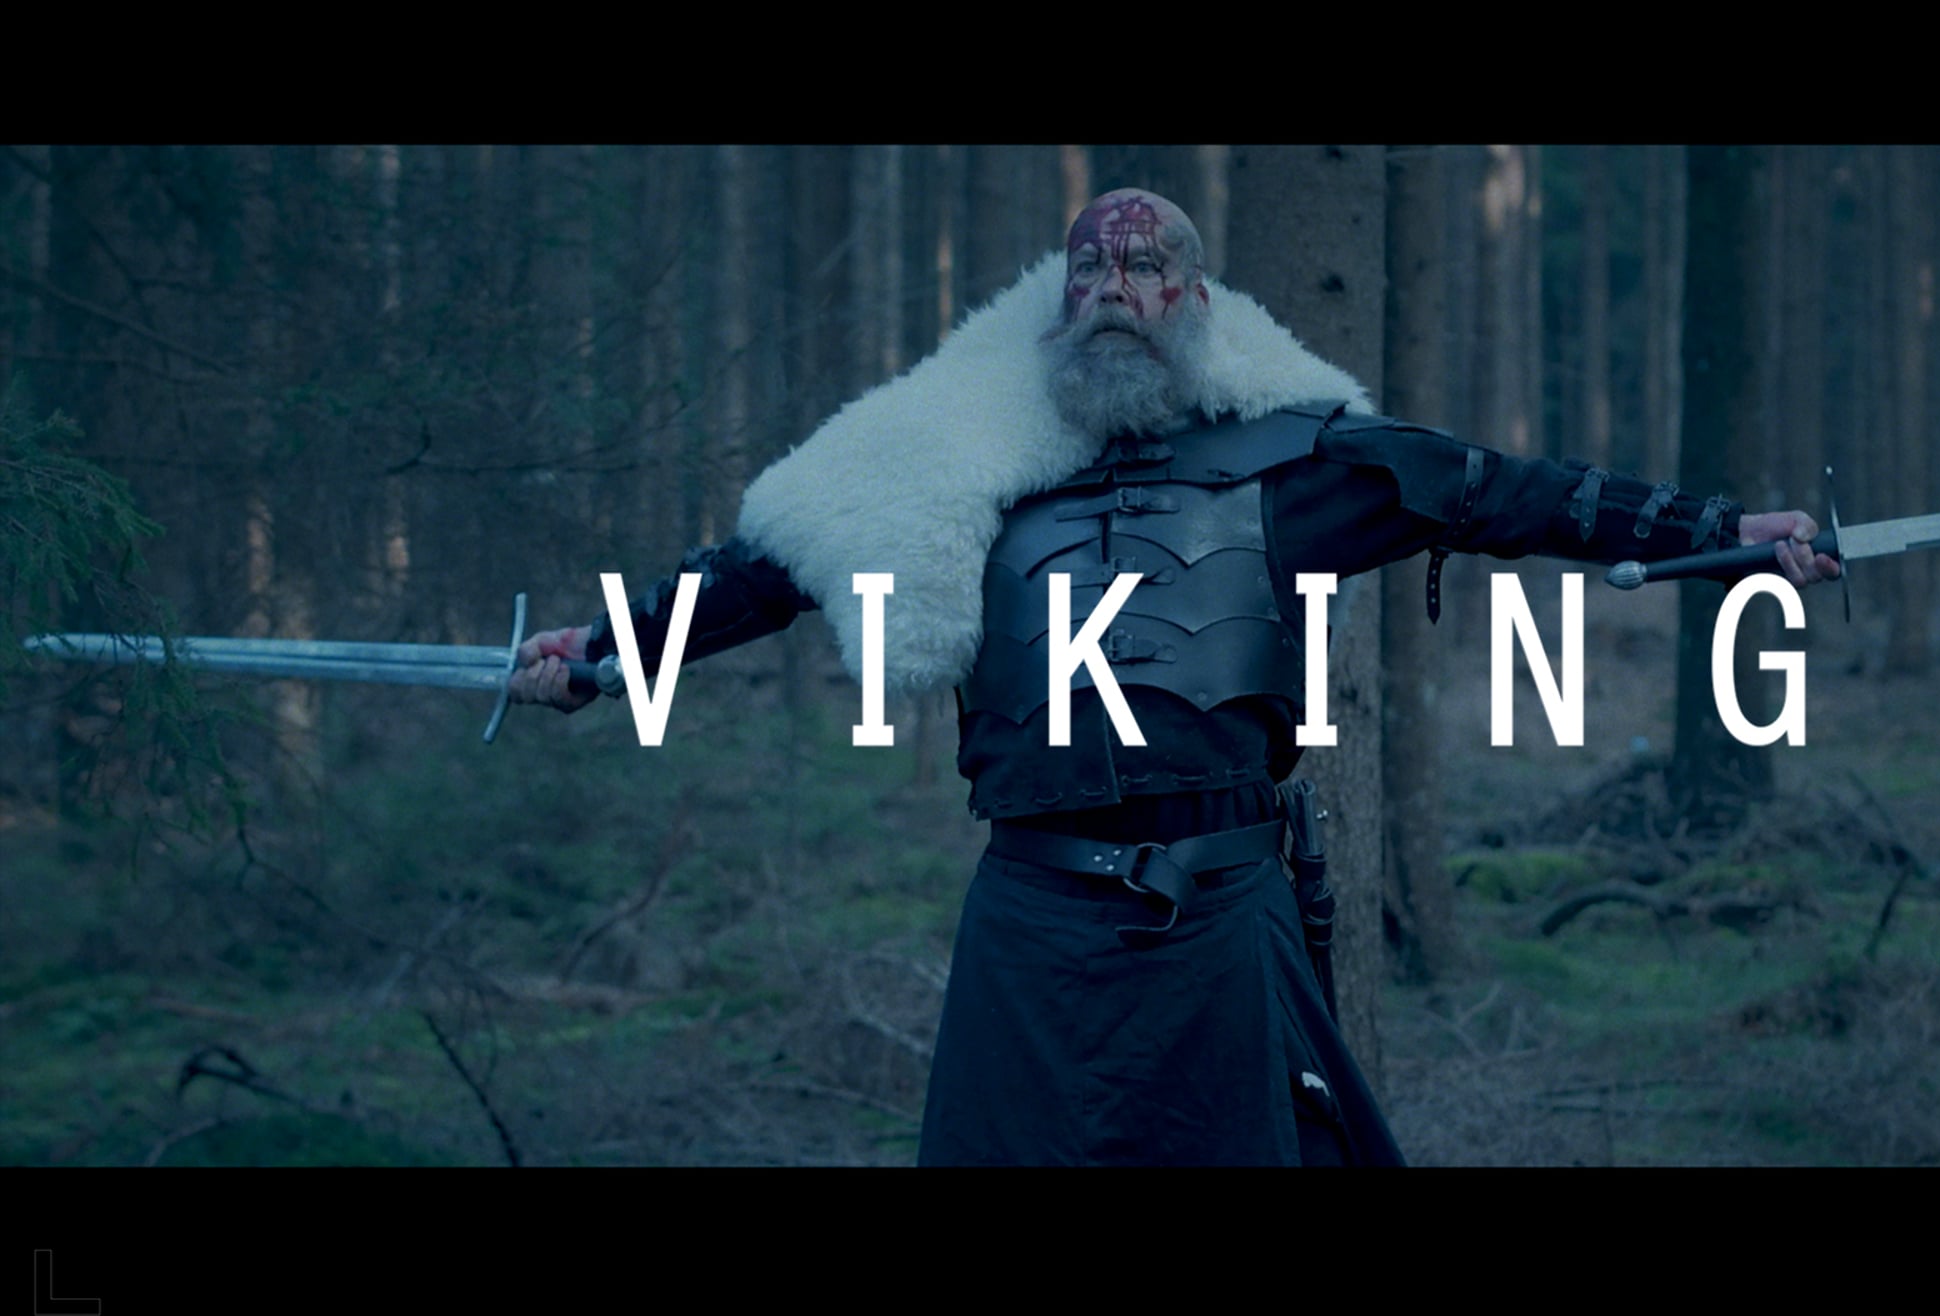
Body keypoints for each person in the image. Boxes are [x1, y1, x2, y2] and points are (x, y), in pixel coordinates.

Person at [509, 189, 1838, 1166]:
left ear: (1195, 303)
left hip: (1219, 916)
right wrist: (604, 653)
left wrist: (1725, 533)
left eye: (1145, 271)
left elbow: (1509, 493)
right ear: (1056, 306)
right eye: (1091, 273)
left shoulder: (1300, 464)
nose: (1114, 292)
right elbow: (762, 572)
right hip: (1032, 915)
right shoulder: (950, 482)